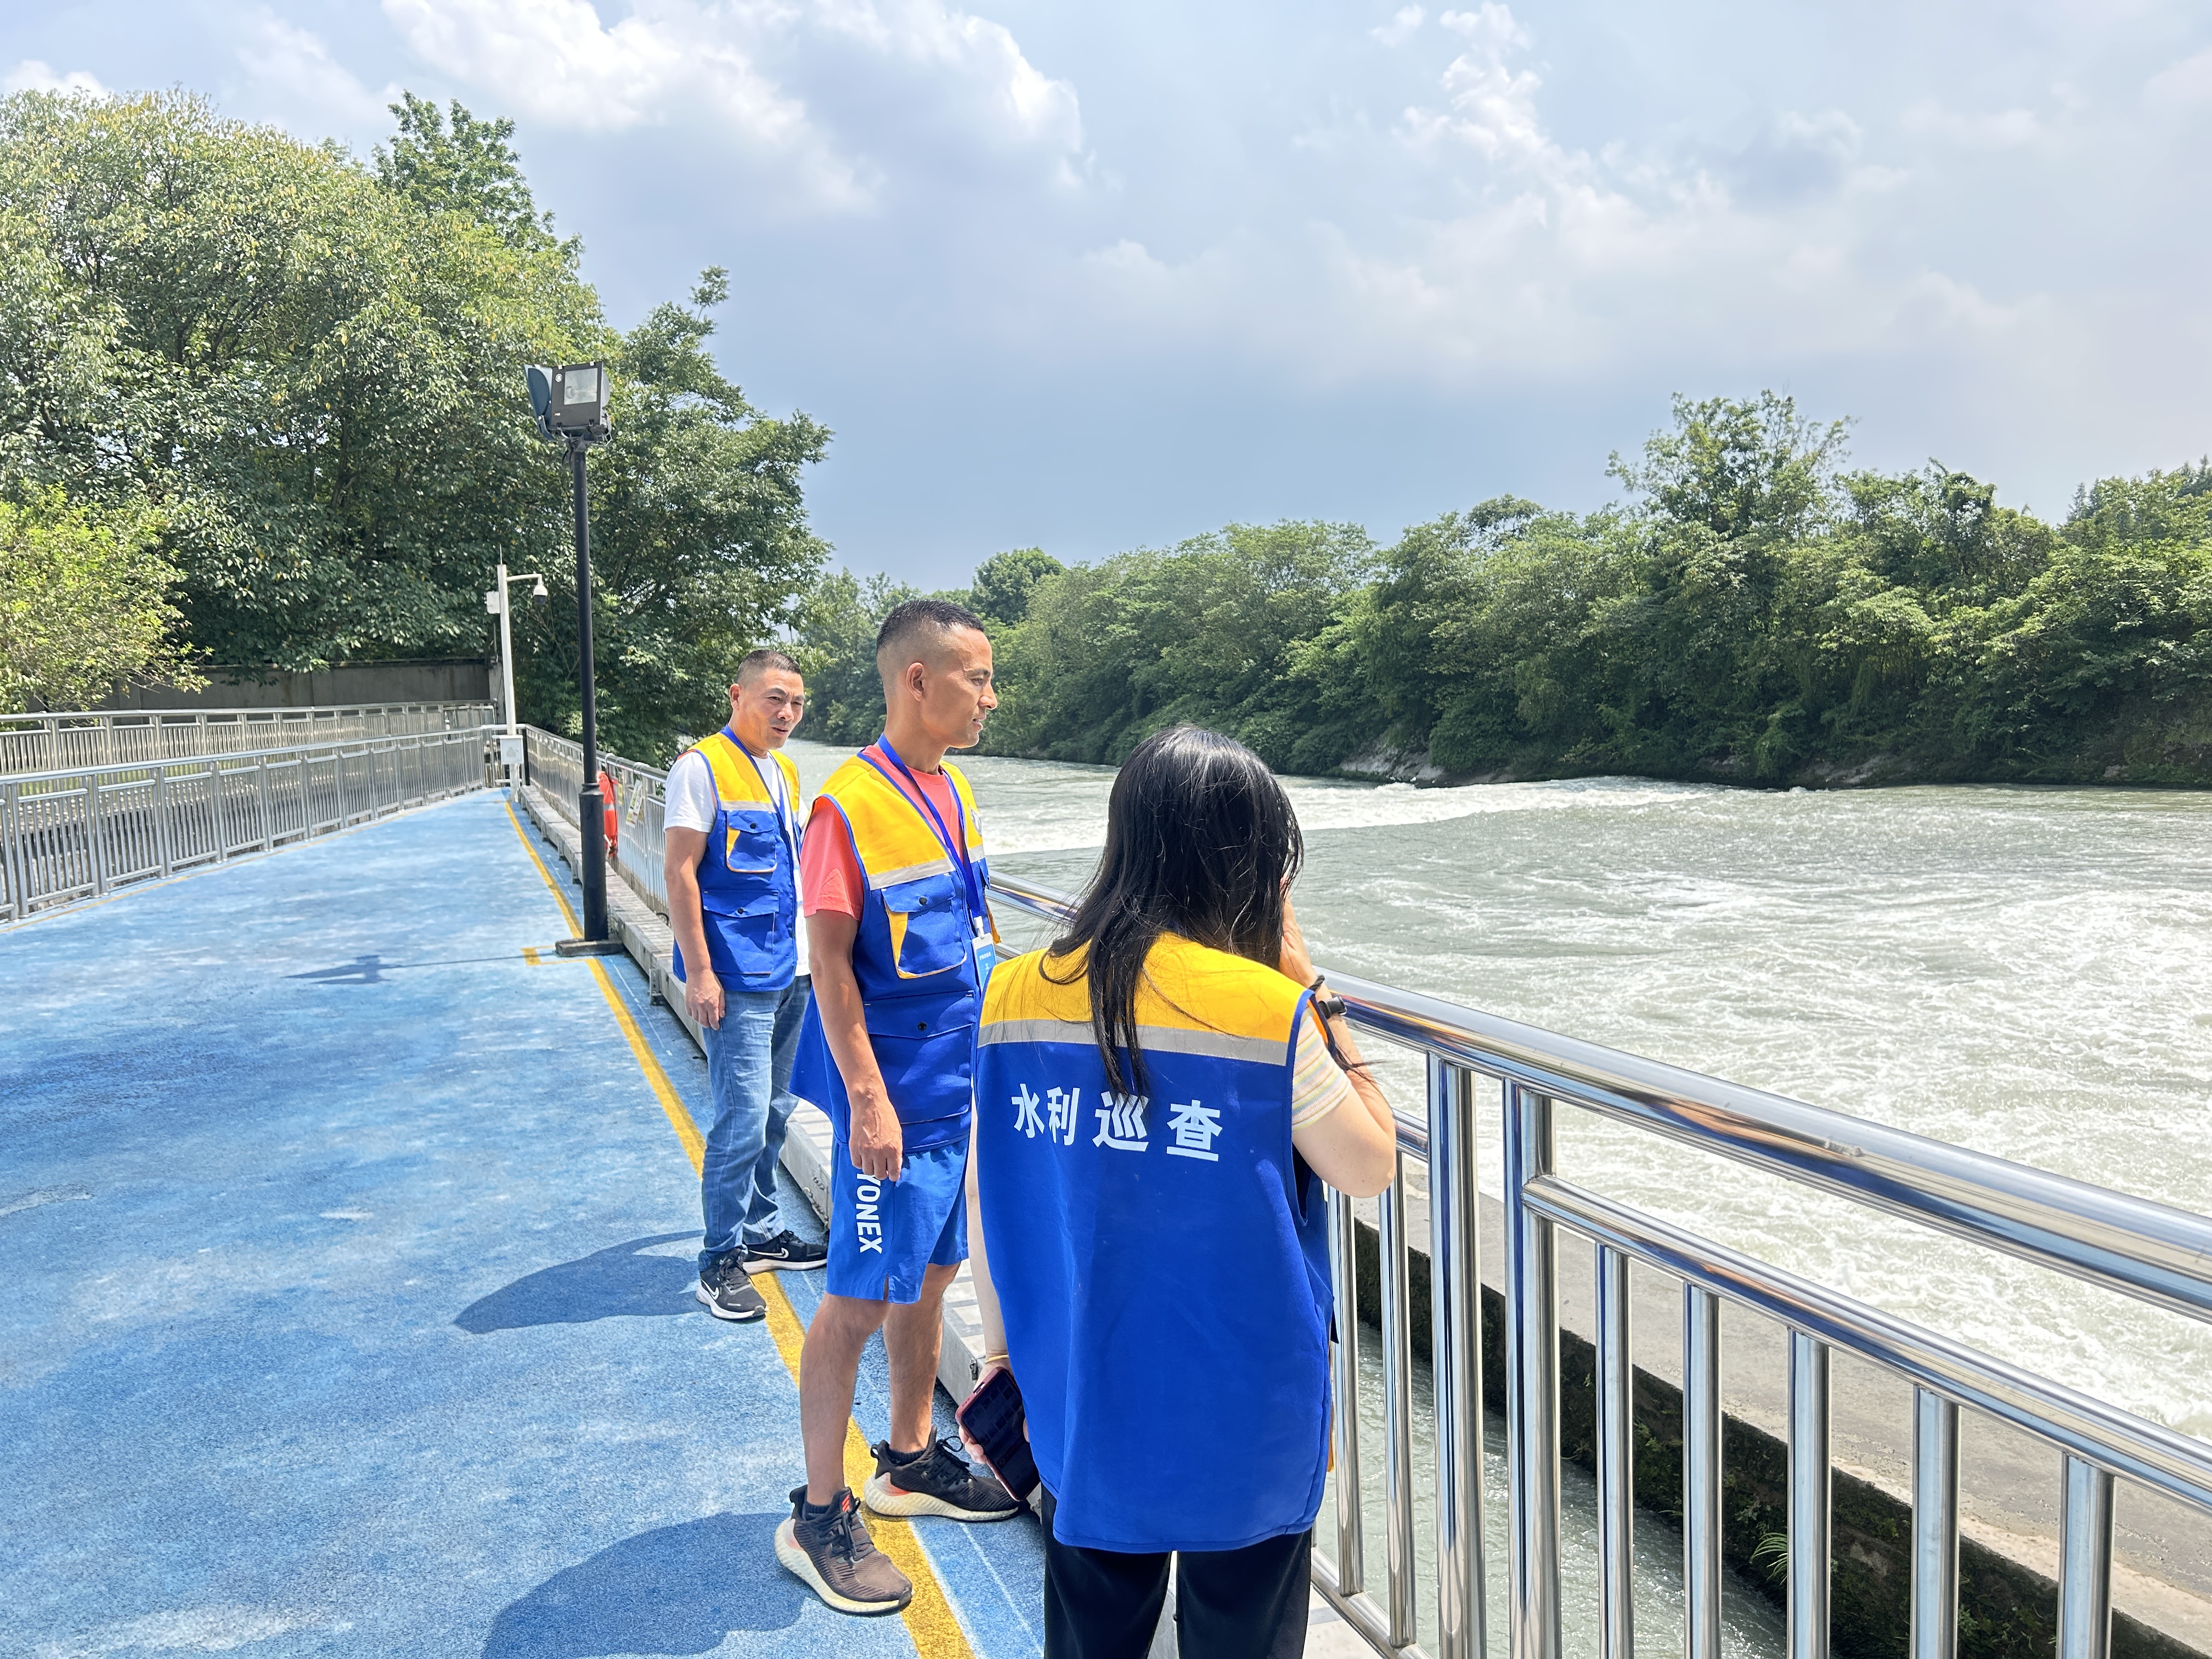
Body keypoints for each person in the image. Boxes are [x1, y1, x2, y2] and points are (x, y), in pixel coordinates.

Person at [966, 725, 1400, 1659]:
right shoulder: (1262, 1008)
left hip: (1079, 1390)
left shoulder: (1010, 994)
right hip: (1242, 1411)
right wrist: (1315, 992)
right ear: (1250, 865)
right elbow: (1369, 1162)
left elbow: (989, 1197)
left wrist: (1004, 1356)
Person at [773, 599, 1022, 1618]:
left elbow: (972, 932)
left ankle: (910, 1460)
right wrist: (868, 1103)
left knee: (933, 1272)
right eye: (977, 677)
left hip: (956, 1090)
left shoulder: (949, 789)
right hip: (896, 1107)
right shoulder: (847, 807)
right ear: (917, 680)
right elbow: (830, 965)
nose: (991, 697)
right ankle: (818, 1513)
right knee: (858, 1300)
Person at [663, 648, 825, 1326]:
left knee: (777, 1111)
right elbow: (680, 872)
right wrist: (700, 971)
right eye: (774, 699)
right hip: (735, 977)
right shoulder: (700, 768)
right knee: (742, 1119)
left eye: (797, 703)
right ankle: (719, 1259)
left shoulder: (783, 771)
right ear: (738, 695)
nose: (787, 713)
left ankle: (760, 1233)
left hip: (791, 969)